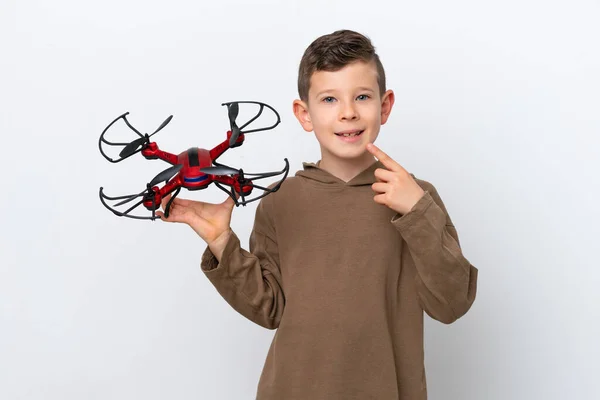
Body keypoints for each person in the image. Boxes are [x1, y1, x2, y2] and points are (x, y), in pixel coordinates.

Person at [158, 29, 478, 400]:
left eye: (362, 96)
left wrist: (418, 211)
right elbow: (269, 308)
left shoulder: (416, 197)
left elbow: (451, 304)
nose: (347, 112)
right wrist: (220, 242)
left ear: (385, 105)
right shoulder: (280, 201)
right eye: (329, 99)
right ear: (304, 114)